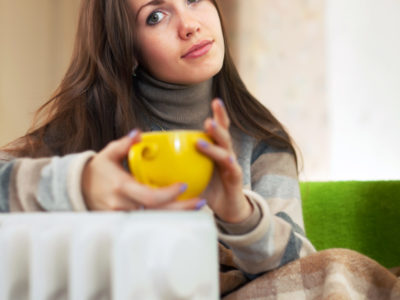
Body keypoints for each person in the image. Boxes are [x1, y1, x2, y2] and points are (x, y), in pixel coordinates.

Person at [0, 0, 318, 295]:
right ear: (130, 48)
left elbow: (303, 271)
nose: (189, 25)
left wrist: (240, 215)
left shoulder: (262, 141)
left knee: (340, 268)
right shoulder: (84, 132)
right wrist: (79, 184)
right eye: (155, 16)